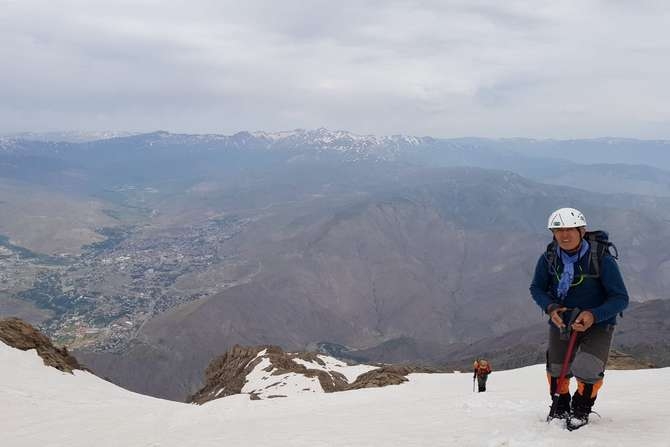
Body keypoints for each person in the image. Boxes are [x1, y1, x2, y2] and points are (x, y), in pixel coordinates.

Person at [530, 207, 629, 430]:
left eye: (570, 230)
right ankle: (561, 405)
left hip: (599, 323)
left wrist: (593, 315)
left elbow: (620, 298)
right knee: (556, 369)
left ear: (582, 230)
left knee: (587, 367)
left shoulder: (602, 260)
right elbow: (537, 288)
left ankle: (581, 408)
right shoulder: (549, 258)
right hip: (562, 321)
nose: (564, 235)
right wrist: (550, 307)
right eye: (558, 230)